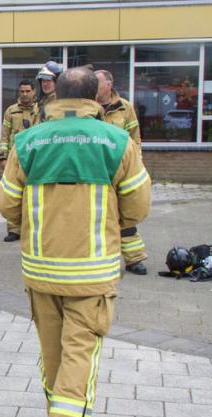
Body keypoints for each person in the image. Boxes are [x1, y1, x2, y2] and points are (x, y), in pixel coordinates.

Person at [0, 67, 150, 417]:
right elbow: (138, 208)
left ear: (54, 94)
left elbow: (5, 204)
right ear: (96, 97)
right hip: (91, 275)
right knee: (79, 355)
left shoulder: (28, 141)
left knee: (53, 356)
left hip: (41, 272)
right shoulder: (116, 142)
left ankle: (58, 415)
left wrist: (31, 225)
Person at [95, 70, 148, 275]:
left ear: (109, 84)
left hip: (121, 169)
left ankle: (134, 258)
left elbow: (135, 139)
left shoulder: (125, 108)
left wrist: (136, 165)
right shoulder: (89, 108)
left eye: (97, 83)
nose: (94, 87)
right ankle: (102, 258)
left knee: (126, 214)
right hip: (98, 169)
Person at [0, 79, 37, 242]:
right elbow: (5, 135)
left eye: (28, 91)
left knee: (32, 194)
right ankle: (14, 229)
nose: (25, 94)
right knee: (13, 193)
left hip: (34, 157)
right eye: (22, 91)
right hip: (15, 158)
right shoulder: (11, 111)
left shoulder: (39, 110)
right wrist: (3, 156)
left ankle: (30, 228)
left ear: (34, 91)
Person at [33, 61, 63, 125]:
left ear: (56, 82)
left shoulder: (60, 102)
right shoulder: (40, 102)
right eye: (43, 81)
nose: (45, 84)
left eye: (48, 80)